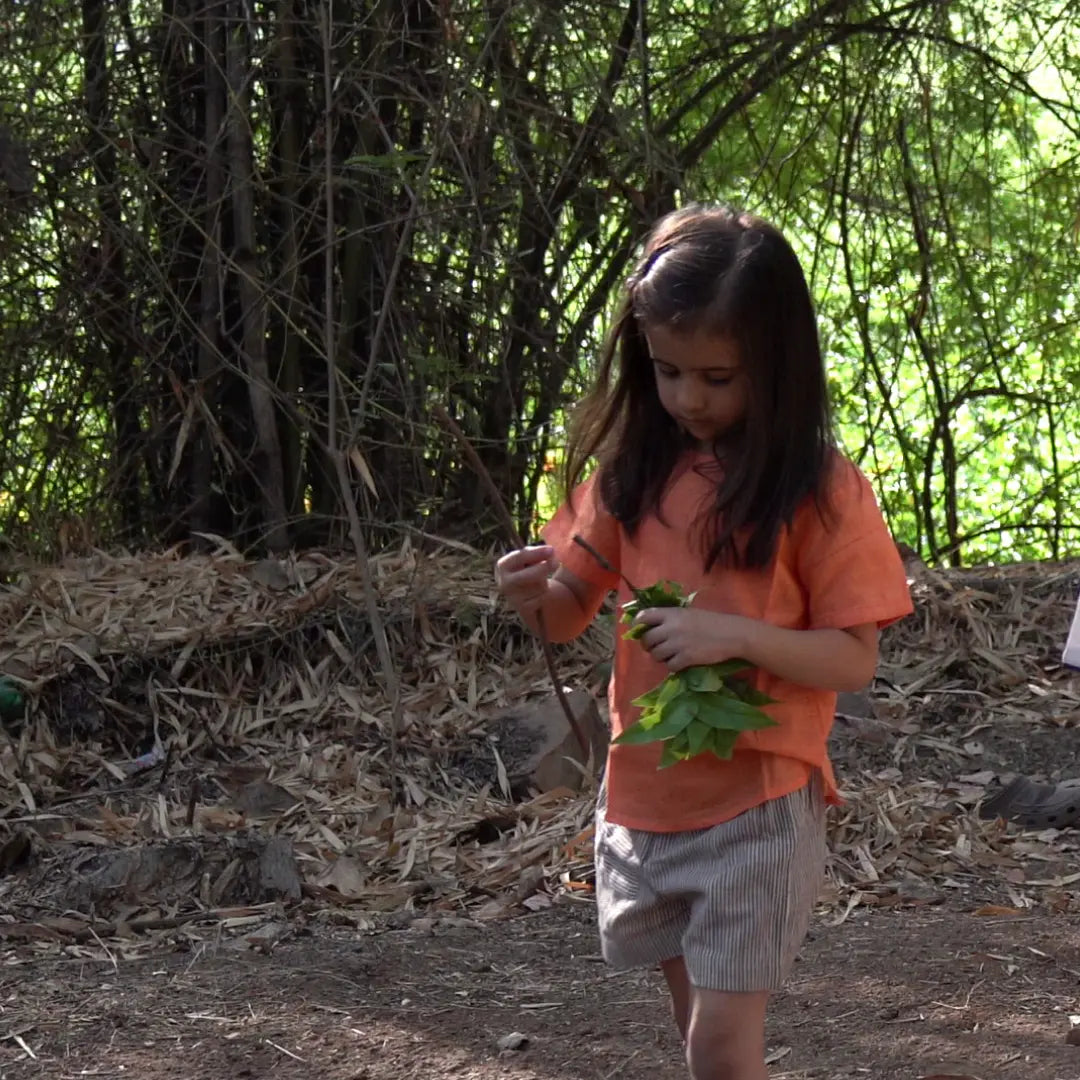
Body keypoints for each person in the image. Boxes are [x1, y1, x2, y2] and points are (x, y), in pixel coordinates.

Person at [494, 203, 912, 1080]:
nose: (689, 399)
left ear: (777, 364)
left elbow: (853, 657)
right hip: (647, 800)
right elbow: (568, 613)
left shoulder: (821, 492)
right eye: (669, 371)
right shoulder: (629, 476)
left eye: (719, 377)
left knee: (720, 1046)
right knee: (699, 1037)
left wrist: (733, 636)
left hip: (759, 800)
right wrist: (532, 593)